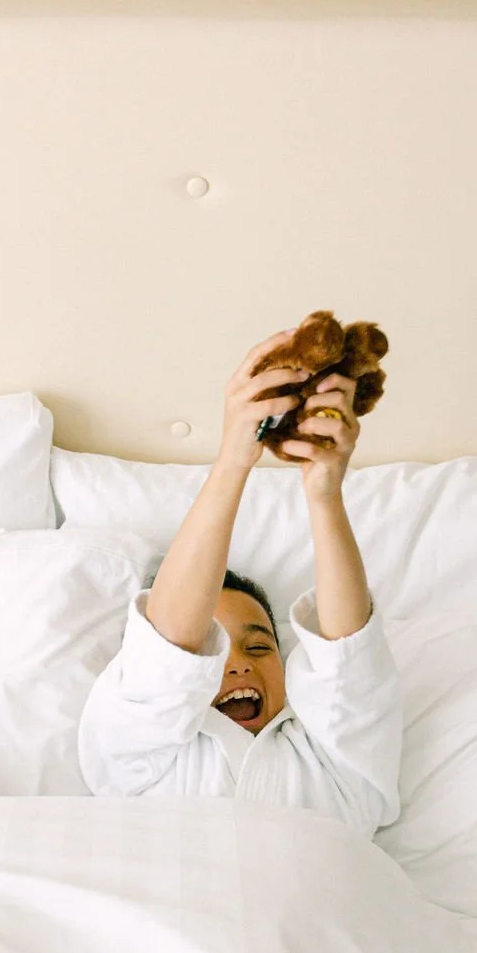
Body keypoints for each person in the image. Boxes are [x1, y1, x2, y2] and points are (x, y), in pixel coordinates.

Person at [77, 329, 401, 837]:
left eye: (259, 645)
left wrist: (324, 494)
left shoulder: (341, 760)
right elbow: (165, 656)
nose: (238, 663)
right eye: (212, 648)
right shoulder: (132, 758)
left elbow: (348, 660)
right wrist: (233, 460)